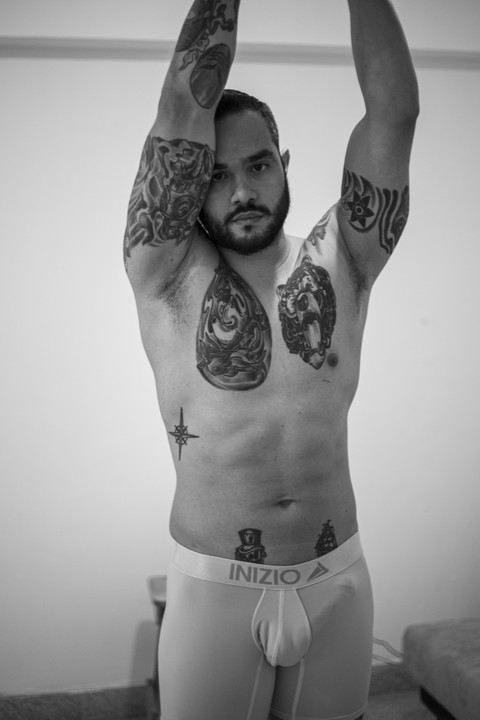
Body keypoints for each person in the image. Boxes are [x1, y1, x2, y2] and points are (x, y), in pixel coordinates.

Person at [123, 0, 419, 718]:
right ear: (190, 184)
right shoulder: (166, 272)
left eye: (258, 166)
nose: (242, 191)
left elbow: (395, 114)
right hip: (215, 589)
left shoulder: (345, 259)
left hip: (337, 579)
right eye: (215, 175)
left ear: (283, 165)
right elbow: (181, 103)